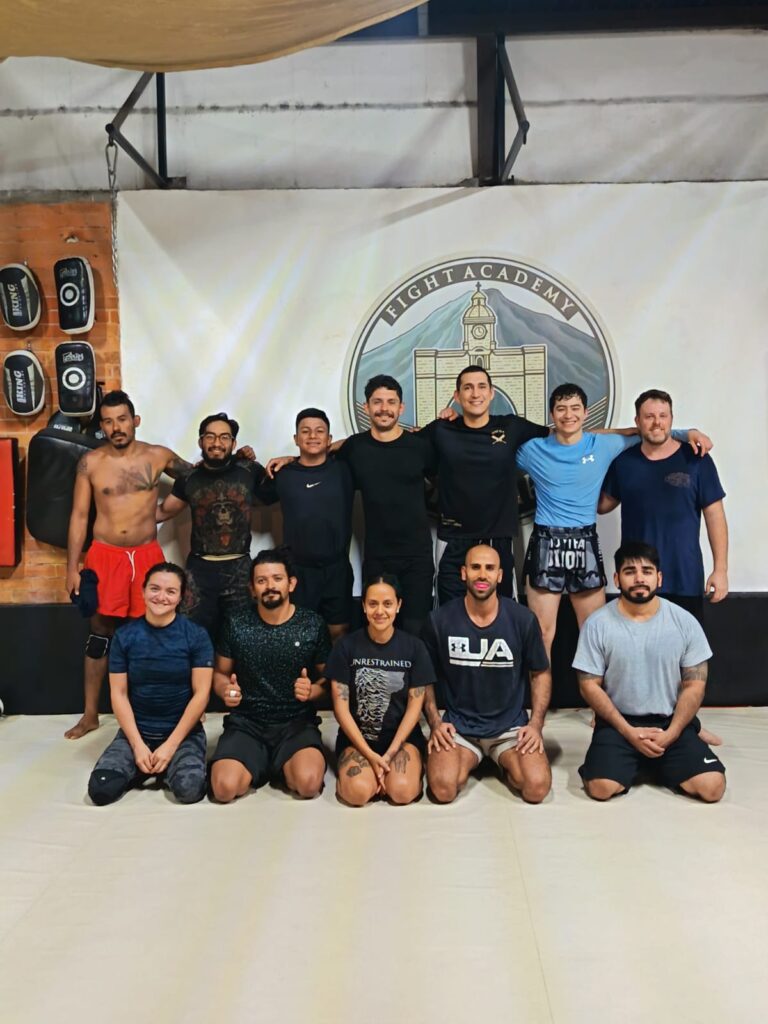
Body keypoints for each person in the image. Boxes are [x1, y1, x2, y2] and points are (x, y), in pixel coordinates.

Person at [515, 383, 710, 662]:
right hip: (547, 539)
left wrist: (687, 433)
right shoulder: (532, 450)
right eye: (561, 409)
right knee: (541, 635)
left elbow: (647, 432)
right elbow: (493, 451)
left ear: (585, 413)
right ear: (552, 414)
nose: (568, 415)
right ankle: (539, 693)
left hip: (584, 539)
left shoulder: (603, 444)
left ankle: (598, 693)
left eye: (575, 408)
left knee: (594, 632)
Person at [65, 390, 194, 739]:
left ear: (135, 420)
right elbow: (79, 516)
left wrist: (166, 511)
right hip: (104, 555)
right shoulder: (91, 463)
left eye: (122, 419)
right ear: (102, 426)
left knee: (152, 634)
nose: (116, 427)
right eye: (108, 422)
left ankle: (150, 712)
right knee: (99, 635)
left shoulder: (158, 456)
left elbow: (197, 478)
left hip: (146, 554)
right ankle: (90, 714)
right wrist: (72, 567)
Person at [268, 376, 437, 636]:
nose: (384, 408)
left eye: (391, 402)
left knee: (416, 628)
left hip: (418, 556)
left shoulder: (421, 446)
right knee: (378, 629)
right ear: (366, 407)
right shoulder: (355, 448)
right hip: (377, 556)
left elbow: (443, 482)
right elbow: (319, 454)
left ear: (401, 407)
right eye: (377, 402)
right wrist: (293, 458)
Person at [575, 541, 726, 802]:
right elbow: (588, 685)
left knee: (712, 788)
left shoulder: (684, 621)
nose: (639, 578)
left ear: (659, 578)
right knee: (601, 788)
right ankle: (638, 762)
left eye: (646, 571)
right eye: (629, 571)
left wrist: (673, 733)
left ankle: (663, 759)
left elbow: (695, 685)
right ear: (617, 579)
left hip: (670, 723)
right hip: (619, 724)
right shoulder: (597, 624)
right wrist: (628, 732)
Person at [422, 544, 553, 804]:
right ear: (463, 573)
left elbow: (541, 673)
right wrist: (435, 722)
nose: (482, 575)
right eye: (475, 567)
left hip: (510, 728)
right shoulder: (439, 620)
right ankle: (473, 758)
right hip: (460, 728)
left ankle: (502, 761)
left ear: (500, 575)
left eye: (490, 568)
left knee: (536, 789)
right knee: (443, 790)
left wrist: (536, 725)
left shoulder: (522, 619)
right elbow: (424, 677)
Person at [209, 547, 331, 802]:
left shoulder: (312, 624)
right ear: (252, 589)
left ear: (291, 584)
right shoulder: (236, 623)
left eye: (277, 578)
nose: (270, 586)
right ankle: (261, 762)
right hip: (247, 723)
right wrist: (225, 690)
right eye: (261, 581)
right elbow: (220, 673)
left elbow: (329, 681)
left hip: (296, 723)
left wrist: (313, 691)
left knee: (308, 784)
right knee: (223, 789)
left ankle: (281, 764)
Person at [420, 365, 549, 604]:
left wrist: (616, 438)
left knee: (502, 612)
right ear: (457, 395)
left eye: (481, 387)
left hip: (497, 536)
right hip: (453, 538)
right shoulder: (441, 429)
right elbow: (401, 446)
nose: (475, 394)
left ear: (491, 393)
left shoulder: (512, 426)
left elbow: (561, 437)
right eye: (468, 388)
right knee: (449, 612)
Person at [87, 562, 213, 805]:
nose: (161, 597)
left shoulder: (196, 636)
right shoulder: (125, 636)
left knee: (189, 790)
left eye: (170, 591)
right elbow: (118, 694)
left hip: (182, 734)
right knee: (101, 790)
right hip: (138, 731)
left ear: (180, 597)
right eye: (155, 589)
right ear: (143, 591)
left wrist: (170, 746)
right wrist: (137, 745)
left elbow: (202, 694)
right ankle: (144, 765)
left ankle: (165, 766)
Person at [599, 388, 728, 621]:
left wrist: (721, 570)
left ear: (671, 419)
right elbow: (602, 506)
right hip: (637, 579)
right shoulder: (623, 463)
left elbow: (715, 516)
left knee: (687, 644)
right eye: (649, 416)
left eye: (663, 415)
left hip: (684, 577)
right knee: (637, 644)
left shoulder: (696, 459)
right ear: (637, 421)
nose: (657, 422)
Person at [156, 411, 265, 642]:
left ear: (233, 443)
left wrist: (288, 460)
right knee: (193, 637)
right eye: (210, 436)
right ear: (200, 441)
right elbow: (164, 511)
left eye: (224, 437)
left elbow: (280, 491)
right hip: (200, 570)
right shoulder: (189, 477)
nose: (217, 442)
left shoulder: (250, 471)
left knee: (242, 639)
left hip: (240, 568)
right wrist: (124, 517)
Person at [326, 575, 431, 807]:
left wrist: (391, 753)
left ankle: (401, 774)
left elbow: (415, 709)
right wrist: (370, 756)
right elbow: (340, 709)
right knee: (357, 794)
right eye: (373, 604)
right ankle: (370, 778)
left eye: (387, 604)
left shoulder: (415, 648)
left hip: (401, 740)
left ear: (398, 605)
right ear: (363, 606)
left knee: (401, 792)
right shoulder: (346, 646)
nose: (380, 611)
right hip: (358, 739)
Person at [258, 408, 353, 641]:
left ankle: (333, 670)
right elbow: (254, 498)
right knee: (300, 635)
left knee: (338, 632)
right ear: (296, 438)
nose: (312, 436)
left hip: (336, 568)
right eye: (305, 431)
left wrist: (330, 448)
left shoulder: (345, 470)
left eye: (320, 431)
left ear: (329, 439)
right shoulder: (283, 474)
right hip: (298, 570)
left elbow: (361, 440)